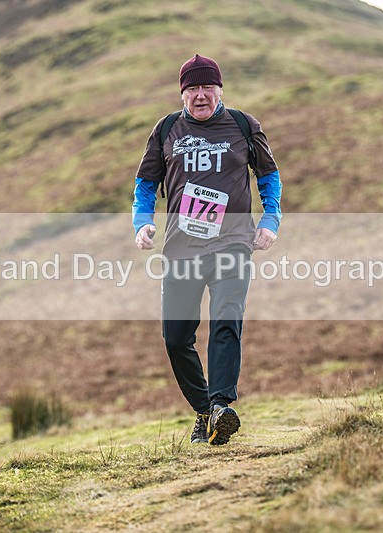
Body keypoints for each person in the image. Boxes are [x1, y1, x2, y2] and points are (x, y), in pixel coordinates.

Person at [132, 54, 282, 445]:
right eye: (192, 89)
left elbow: (269, 177)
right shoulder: (166, 129)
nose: (200, 96)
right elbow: (146, 183)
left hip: (232, 243)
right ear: (183, 93)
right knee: (175, 338)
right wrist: (142, 221)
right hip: (182, 248)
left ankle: (221, 403)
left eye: (207, 87)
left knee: (225, 321)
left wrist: (270, 220)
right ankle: (206, 411)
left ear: (220, 89)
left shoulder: (243, 125)